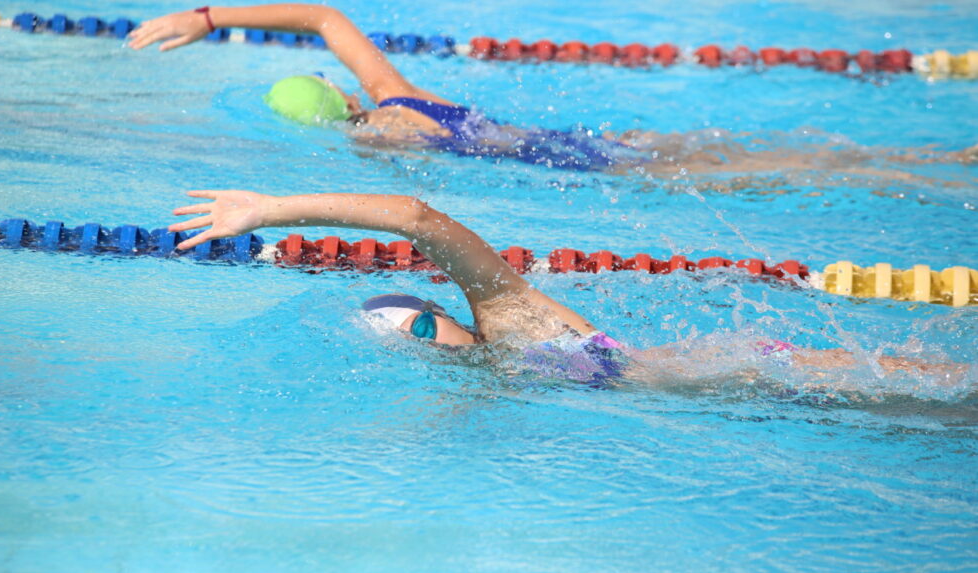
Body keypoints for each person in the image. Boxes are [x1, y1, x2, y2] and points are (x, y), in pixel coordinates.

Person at [167, 189, 966, 385]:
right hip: (739, 383)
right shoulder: (496, 371)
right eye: (410, 344)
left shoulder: (507, 316)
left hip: (755, 366)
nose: (427, 345)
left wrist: (273, 208)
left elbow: (417, 217)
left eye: (417, 329)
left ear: (439, 314)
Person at [127, 4, 975, 178]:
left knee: (781, 172)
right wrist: (209, 14)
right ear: (333, 89)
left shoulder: (380, 139)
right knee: (777, 158)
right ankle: (940, 156)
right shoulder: (398, 90)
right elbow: (322, 15)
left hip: (582, 169)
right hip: (574, 139)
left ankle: (921, 166)